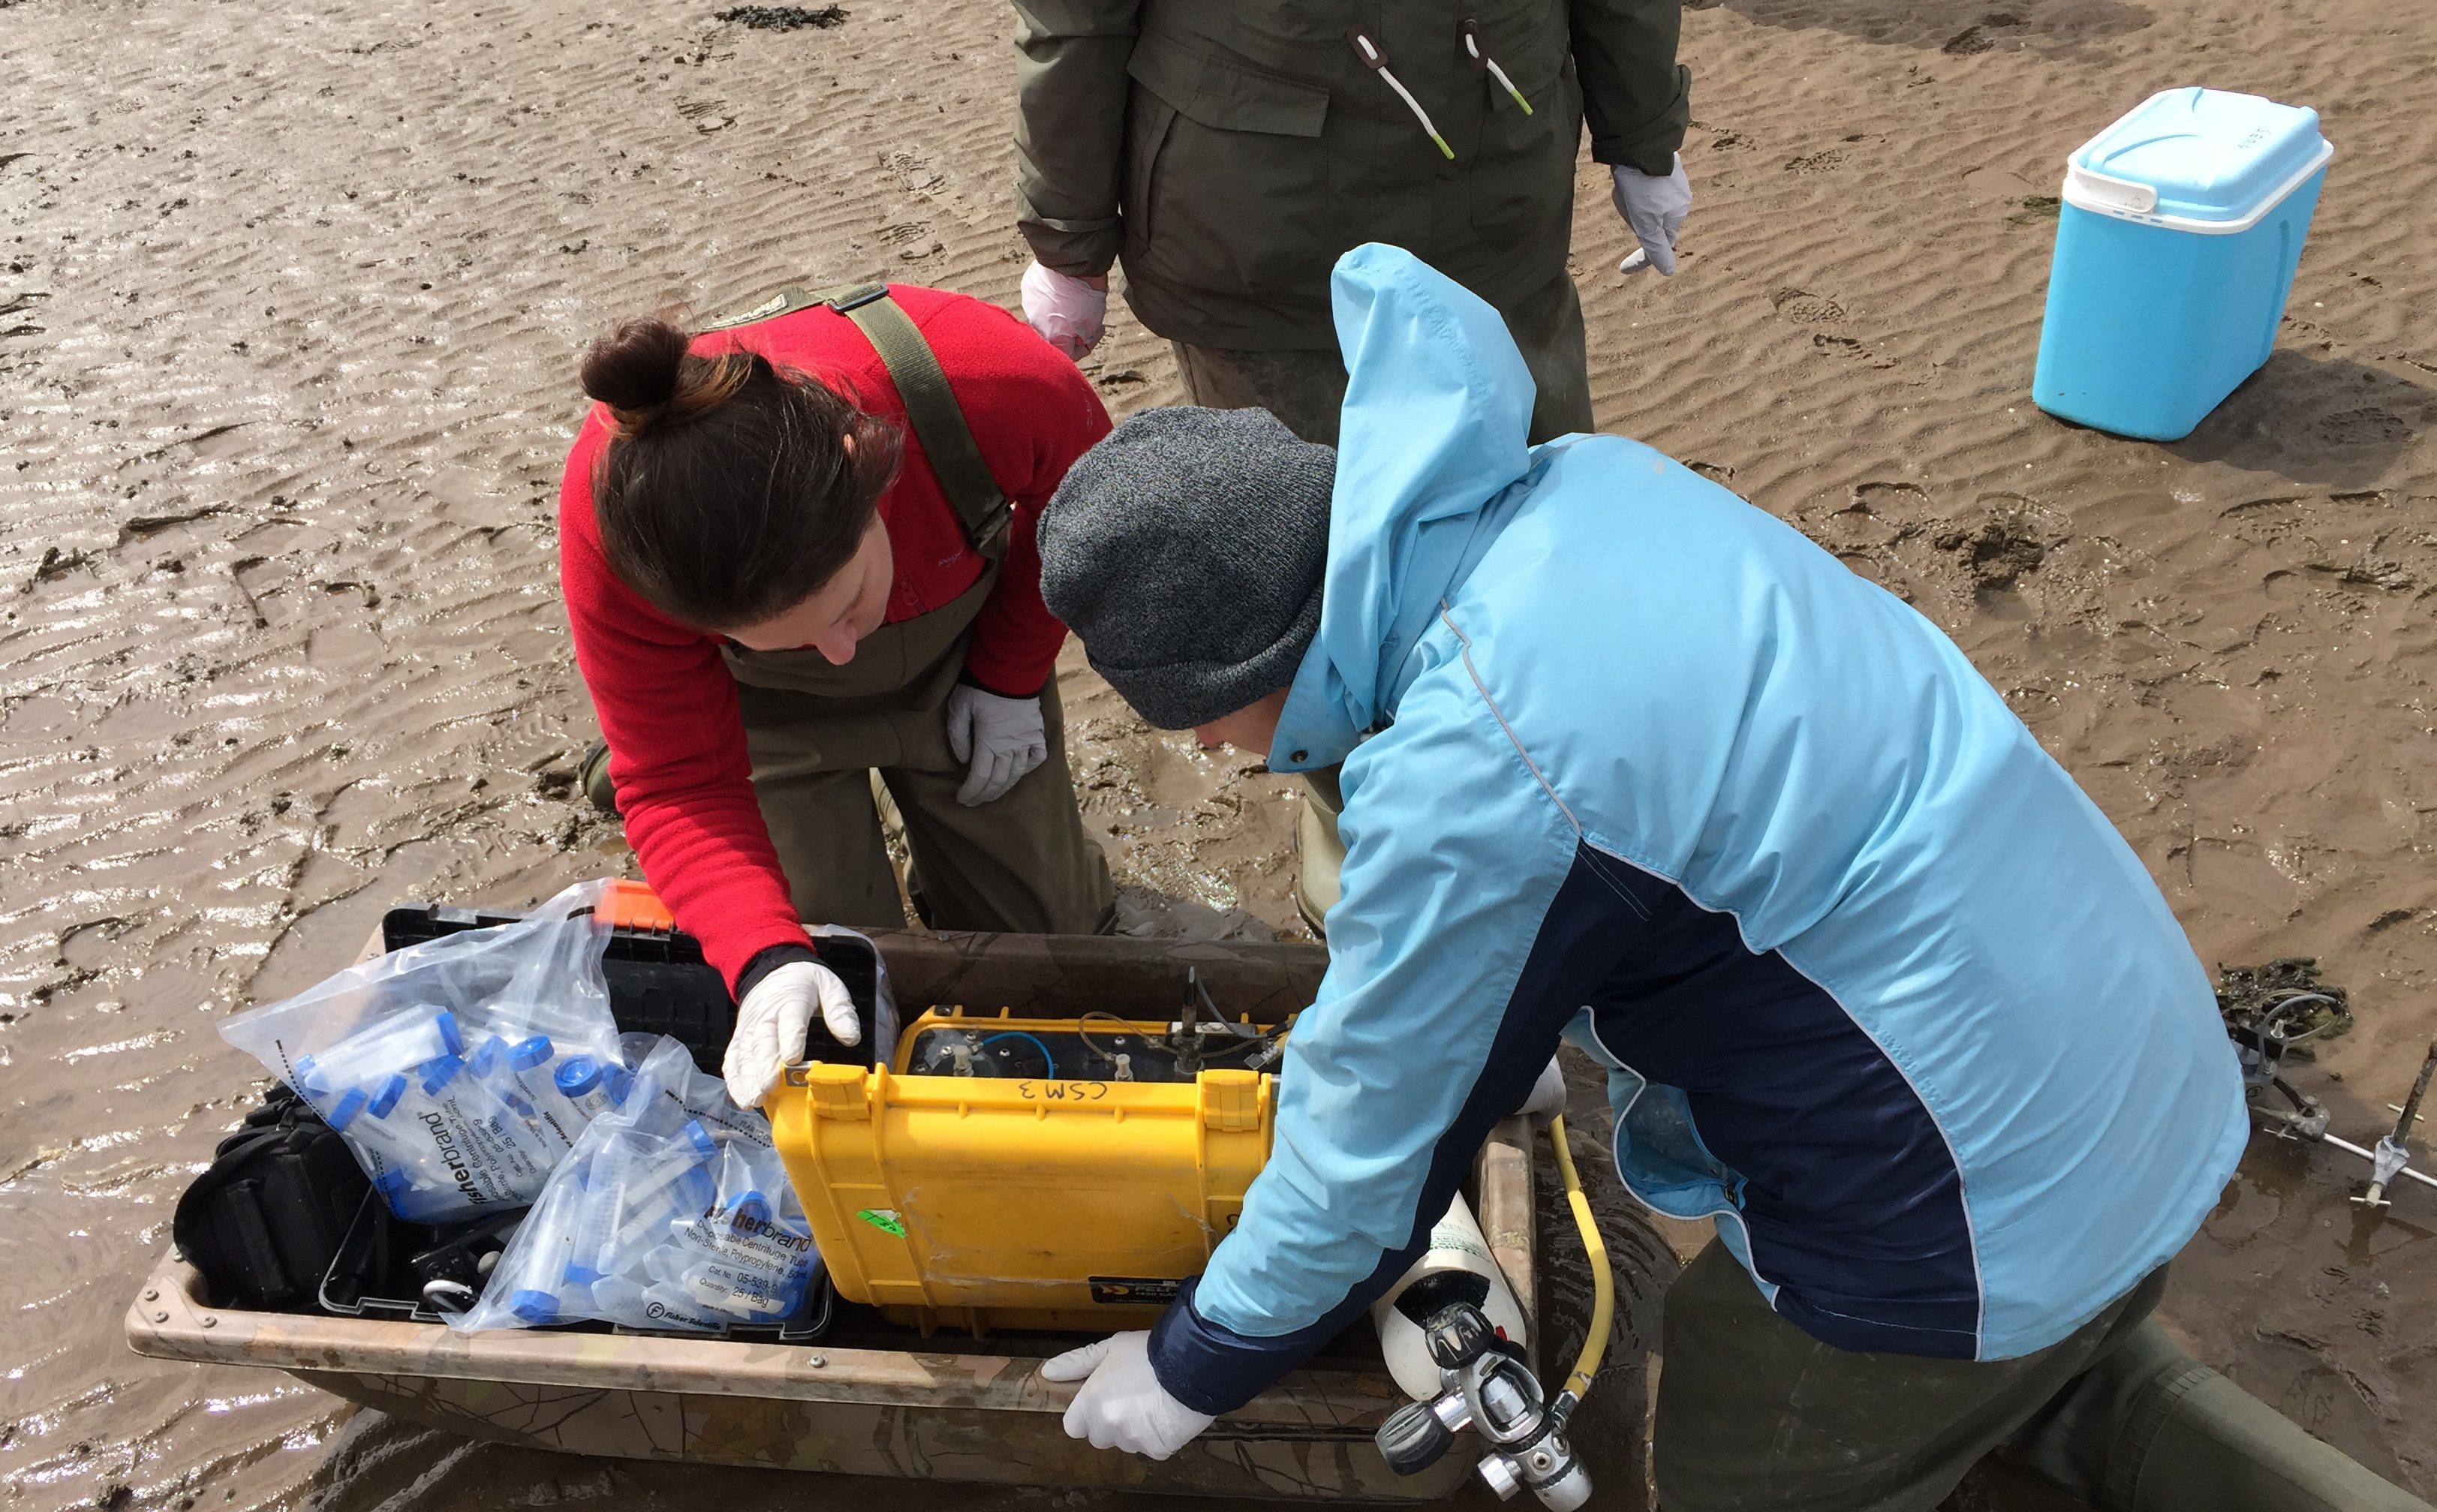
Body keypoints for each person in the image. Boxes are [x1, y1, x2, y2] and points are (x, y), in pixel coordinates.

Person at [1024, 245, 2432, 1512]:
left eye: (1196, 717)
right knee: (2068, 1377)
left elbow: (1361, 1155)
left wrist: (1198, 1360)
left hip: (1977, 1199)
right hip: (2137, 1083)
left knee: (1742, 1437)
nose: (1214, 751)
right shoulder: (1573, 489)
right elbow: (1674, 844)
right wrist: (1508, 1024)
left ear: (1256, 660)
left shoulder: (1482, 764)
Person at [1012, 2, 1694, 933]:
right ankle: (1392, 875)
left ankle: (1562, 847)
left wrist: (1641, 132)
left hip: (1479, 188)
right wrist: (1066, 233)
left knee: (1522, 541)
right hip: (1268, 232)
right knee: (1306, 581)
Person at [558, 282, 1115, 1111]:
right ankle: (648, 742)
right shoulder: (615, 530)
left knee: (1052, 943)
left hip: (959, 655)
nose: (839, 653)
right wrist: (764, 955)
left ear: (864, 464)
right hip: (766, 718)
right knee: (841, 965)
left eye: (848, 605)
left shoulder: (990, 379)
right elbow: (678, 783)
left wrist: (1009, 673)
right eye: (786, 630)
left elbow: (1092, 517)